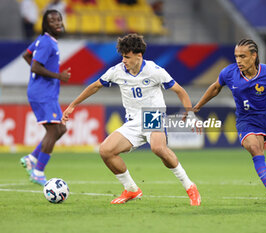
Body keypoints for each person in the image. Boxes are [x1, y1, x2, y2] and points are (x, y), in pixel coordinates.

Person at [62, 33, 201, 206]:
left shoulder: (154, 71)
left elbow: (180, 91)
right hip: (133, 121)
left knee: (158, 148)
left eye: (127, 57)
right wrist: (73, 105)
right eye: (122, 56)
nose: (123, 60)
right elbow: (95, 86)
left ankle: (190, 187)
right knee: (106, 151)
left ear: (139, 55)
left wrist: (190, 113)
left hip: (153, 115)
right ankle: (131, 189)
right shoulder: (117, 71)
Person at [193, 39, 266, 207]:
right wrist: (197, 106)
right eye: (236, 56)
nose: (238, 60)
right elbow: (215, 87)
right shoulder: (229, 73)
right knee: (255, 148)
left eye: (242, 56)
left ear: (254, 55)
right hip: (246, 121)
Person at [20, 10, 71, 186]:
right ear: (45, 24)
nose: (57, 23)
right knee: (52, 131)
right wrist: (58, 76)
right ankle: (38, 172)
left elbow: (26, 55)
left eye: (59, 20)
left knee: (61, 129)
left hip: (46, 92)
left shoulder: (43, 40)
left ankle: (32, 158)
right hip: (42, 93)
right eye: (52, 21)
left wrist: (46, 77)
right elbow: (35, 66)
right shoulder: (47, 43)